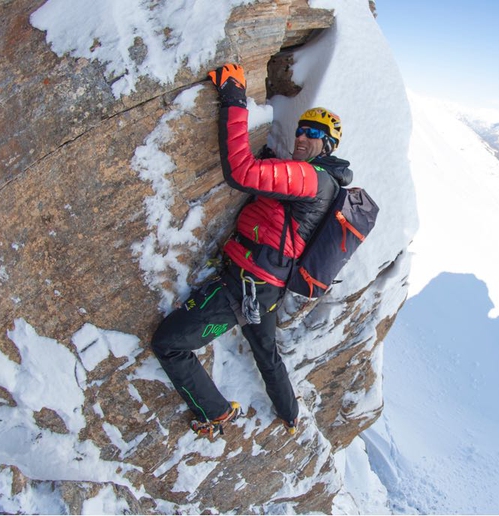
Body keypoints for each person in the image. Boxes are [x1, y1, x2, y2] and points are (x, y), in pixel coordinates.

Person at [150, 63, 353, 438]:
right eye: (301, 130)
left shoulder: (311, 177)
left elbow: (241, 172)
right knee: (267, 355)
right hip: (266, 289)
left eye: (313, 134)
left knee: (169, 344)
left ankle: (215, 413)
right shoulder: (319, 181)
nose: (302, 138)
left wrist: (233, 98)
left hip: (243, 285)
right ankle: (290, 416)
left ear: (328, 146)